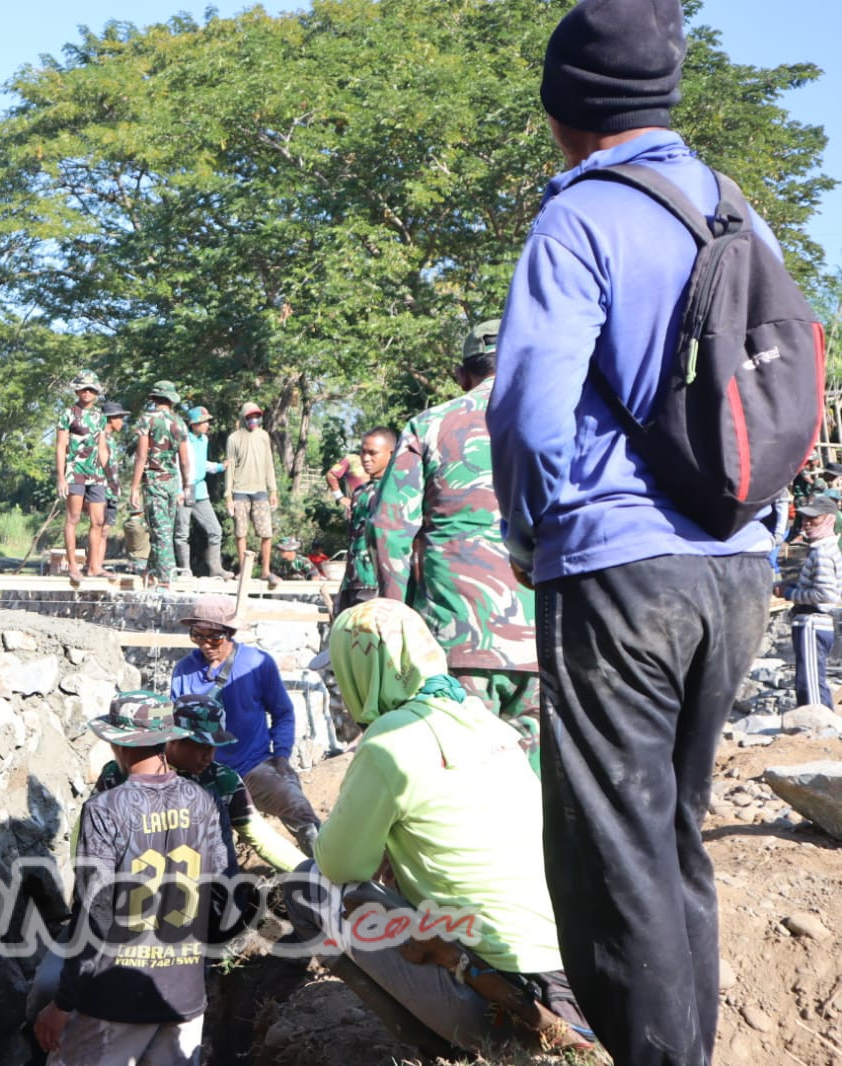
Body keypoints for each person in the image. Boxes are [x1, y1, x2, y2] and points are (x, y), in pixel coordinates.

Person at [485, 3, 779, 1060]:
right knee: (673, 837)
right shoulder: (732, 205)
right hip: (739, 561)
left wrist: (529, 532)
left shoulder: (581, 216)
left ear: (565, 107)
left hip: (619, 569)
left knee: (612, 857)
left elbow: (525, 410)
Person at [286, 599, 592, 1057]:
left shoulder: (390, 741)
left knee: (305, 885)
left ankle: (434, 1045)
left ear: (362, 670)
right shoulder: (482, 720)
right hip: (574, 986)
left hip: (493, 1000)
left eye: (340, 674)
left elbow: (340, 864)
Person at [369, 319, 540, 769]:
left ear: (461, 375)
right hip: (546, 642)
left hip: (456, 642)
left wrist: (398, 621)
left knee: (465, 780)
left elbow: (389, 530)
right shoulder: (560, 423)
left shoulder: (429, 426)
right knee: (540, 788)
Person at [33, 691, 228, 1066]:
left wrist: (62, 1003)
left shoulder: (105, 810)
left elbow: (96, 916)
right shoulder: (207, 803)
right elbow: (224, 898)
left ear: (118, 745)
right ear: (166, 740)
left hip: (114, 998)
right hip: (182, 998)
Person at [93, 692, 307, 873]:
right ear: (173, 739)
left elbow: (262, 838)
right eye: (201, 747)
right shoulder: (118, 776)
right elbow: (92, 842)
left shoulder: (223, 781)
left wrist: (309, 871)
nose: (209, 756)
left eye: (214, 747)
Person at [170, 595, 319, 851]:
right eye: (198, 636)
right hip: (203, 773)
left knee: (297, 807)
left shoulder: (257, 663)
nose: (206, 644)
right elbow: (177, 726)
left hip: (252, 767)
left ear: (229, 633)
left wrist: (281, 756)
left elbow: (282, 713)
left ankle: (328, 867)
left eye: (214, 637)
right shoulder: (183, 670)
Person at [129, 382, 191, 589]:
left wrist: (134, 486)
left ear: (154, 399)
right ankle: (150, 573)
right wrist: (186, 485)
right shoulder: (179, 422)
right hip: (173, 482)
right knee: (165, 530)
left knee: (161, 532)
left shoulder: (147, 420)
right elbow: (184, 460)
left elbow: (141, 455)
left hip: (154, 480)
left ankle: (167, 580)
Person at [782, 494, 840, 710]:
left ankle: (818, 728)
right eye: (805, 519)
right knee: (809, 679)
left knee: (811, 684)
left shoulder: (823, 553)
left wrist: (789, 593)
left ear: (828, 520)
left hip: (812, 622)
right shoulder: (823, 549)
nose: (806, 524)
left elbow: (824, 595)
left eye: (813, 519)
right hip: (814, 623)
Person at [332, 427, 395, 616]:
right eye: (363, 452)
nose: (365, 458)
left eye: (373, 453)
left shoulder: (394, 492)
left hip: (377, 582)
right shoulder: (360, 492)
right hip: (353, 580)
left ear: (391, 454)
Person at [54, 371, 110, 582]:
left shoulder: (100, 417)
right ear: (77, 390)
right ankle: (73, 566)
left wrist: (110, 476)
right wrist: (61, 477)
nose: (87, 392)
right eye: (84, 388)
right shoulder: (68, 414)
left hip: (96, 474)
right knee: (74, 518)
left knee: (98, 520)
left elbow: (102, 448)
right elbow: (60, 447)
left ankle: (94, 565)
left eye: (91, 389)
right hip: (74, 471)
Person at [223, 402, 280, 588]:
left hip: (260, 490)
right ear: (243, 418)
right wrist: (228, 496)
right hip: (239, 491)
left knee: (266, 532)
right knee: (240, 532)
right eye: (249, 417)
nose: (253, 420)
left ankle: (265, 570)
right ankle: (243, 570)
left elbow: (269, 463)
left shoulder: (264, 436)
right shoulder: (233, 438)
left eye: (256, 416)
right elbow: (229, 468)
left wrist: (273, 490)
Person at [177, 406, 230, 580]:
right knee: (182, 533)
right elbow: (179, 465)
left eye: (207, 421)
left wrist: (219, 466)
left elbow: (201, 464)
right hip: (185, 489)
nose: (207, 425)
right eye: (204, 422)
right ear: (194, 424)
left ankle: (216, 567)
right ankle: (185, 570)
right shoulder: (184, 440)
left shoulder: (204, 440)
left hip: (200, 490)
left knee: (215, 530)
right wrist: (179, 489)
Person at [101, 401, 129, 533]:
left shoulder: (111, 440)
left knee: (105, 529)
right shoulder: (100, 438)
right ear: (111, 419)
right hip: (102, 490)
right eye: (120, 419)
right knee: (100, 528)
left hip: (111, 492)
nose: (122, 423)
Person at [323, 451, 369, 517]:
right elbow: (331, 475)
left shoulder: (385, 460)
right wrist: (340, 497)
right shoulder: (352, 459)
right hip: (355, 514)